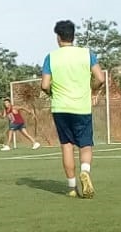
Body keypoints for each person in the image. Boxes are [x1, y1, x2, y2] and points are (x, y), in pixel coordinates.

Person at [40, 20, 106, 198]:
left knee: (67, 145)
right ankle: (85, 171)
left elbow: (44, 85)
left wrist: (52, 93)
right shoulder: (86, 54)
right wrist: (92, 90)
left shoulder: (51, 57)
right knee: (85, 145)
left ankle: (71, 188)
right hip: (81, 107)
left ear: (58, 37)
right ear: (73, 36)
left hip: (60, 107)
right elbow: (100, 78)